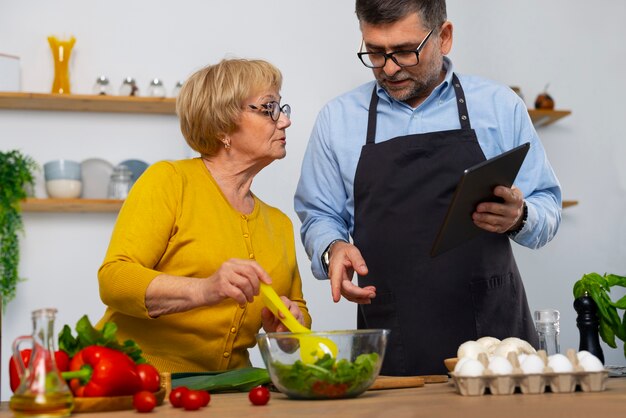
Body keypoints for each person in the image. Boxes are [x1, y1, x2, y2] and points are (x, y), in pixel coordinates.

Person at [295, 0, 561, 375]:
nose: (388, 68)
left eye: (404, 51)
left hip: (496, 343)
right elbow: (319, 214)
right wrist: (332, 247)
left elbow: (547, 206)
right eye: (374, 52)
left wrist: (520, 216)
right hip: (392, 336)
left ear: (445, 37)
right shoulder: (337, 120)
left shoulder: (499, 107)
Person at [97, 58, 311, 373]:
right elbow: (114, 280)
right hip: (135, 380)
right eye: (268, 109)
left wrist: (291, 328)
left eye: (281, 108)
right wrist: (205, 289)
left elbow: (300, 313)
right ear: (223, 126)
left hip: (229, 390)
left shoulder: (279, 224)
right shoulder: (169, 181)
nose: (284, 121)